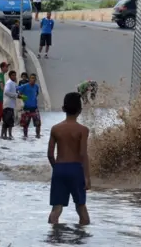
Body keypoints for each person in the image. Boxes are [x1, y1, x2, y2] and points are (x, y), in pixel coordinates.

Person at [47, 92, 91, 225]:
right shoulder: (83, 130)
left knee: (56, 208)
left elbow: (49, 154)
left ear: (63, 109)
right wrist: (87, 177)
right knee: (81, 207)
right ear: (80, 110)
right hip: (76, 169)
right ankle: (83, 235)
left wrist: (57, 168)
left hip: (59, 168)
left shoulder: (56, 129)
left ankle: (53, 237)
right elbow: (83, 154)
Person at [18, 73, 42, 138]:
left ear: (36, 79)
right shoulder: (24, 86)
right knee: (25, 125)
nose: (33, 79)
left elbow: (36, 94)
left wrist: (33, 99)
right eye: (31, 78)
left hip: (34, 108)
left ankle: (38, 137)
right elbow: (17, 92)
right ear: (29, 79)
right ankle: (25, 138)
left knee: (38, 124)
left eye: (34, 78)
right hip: (26, 109)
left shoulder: (36, 86)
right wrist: (23, 97)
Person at [2, 70, 19, 139]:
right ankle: (6, 135)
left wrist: (18, 95)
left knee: (10, 122)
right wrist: (15, 95)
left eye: (15, 75)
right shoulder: (9, 83)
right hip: (7, 105)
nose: (14, 76)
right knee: (7, 121)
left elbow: (16, 91)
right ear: (10, 76)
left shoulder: (13, 83)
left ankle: (9, 135)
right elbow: (6, 92)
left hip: (11, 105)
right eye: (13, 75)